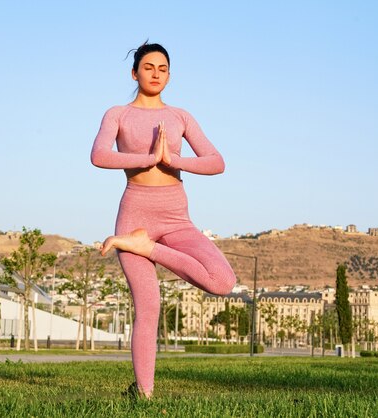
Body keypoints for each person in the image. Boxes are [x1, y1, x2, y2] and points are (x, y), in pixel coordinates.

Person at [91, 42, 237, 399]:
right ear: (134, 73)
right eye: (149, 67)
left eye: (162, 69)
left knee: (223, 281)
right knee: (149, 306)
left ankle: (147, 248)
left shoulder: (181, 116)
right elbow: (98, 156)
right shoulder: (118, 114)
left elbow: (216, 162)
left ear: (169, 75)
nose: (155, 73)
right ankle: (144, 394)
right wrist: (146, 157)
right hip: (134, 213)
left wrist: (173, 159)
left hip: (176, 218)